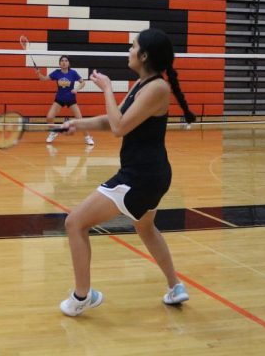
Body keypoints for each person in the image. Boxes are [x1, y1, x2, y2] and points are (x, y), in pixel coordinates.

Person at [54, 28, 195, 316]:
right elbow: (114, 120)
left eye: (133, 47)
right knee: (145, 227)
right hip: (151, 174)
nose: (129, 50)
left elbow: (119, 129)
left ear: (144, 55)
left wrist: (106, 88)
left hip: (139, 176)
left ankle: (82, 296)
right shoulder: (142, 84)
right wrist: (78, 125)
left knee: (75, 223)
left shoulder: (158, 88)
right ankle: (175, 286)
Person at [35, 55, 94, 146]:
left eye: (66, 61)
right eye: (62, 61)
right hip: (59, 99)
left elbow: (83, 82)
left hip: (71, 99)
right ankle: (53, 132)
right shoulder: (56, 73)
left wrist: (76, 89)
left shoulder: (73, 73)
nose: (64, 62)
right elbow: (43, 79)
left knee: (80, 119)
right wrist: (38, 73)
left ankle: (88, 137)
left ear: (68, 63)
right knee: (49, 117)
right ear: (59, 63)